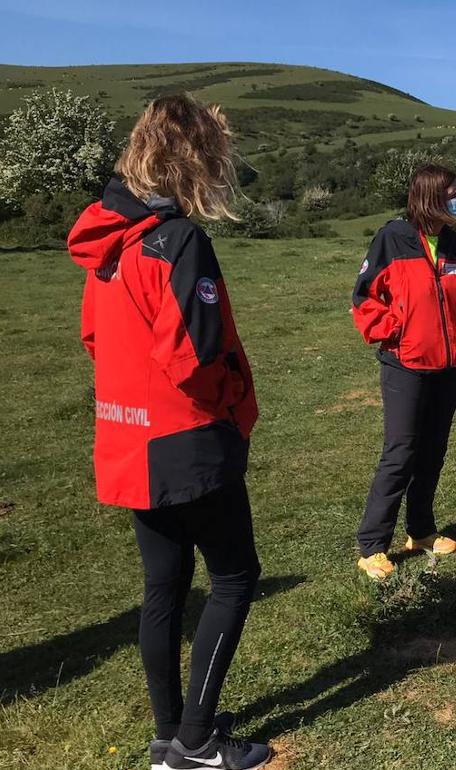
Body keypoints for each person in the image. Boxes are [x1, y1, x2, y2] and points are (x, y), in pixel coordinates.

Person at [68, 94, 271, 770]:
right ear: (193, 161)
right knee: (236, 577)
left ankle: (168, 738)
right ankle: (196, 741)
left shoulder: (107, 244)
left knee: (163, 586)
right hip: (186, 440)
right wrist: (233, 405)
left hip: (127, 440)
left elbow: (94, 336)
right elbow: (196, 354)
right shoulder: (180, 240)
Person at [351, 164, 456, 580]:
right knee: (401, 451)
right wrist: (397, 331)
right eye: (453, 191)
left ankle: (421, 531)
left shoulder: (453, 242)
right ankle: (372, 544)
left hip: (450, 364)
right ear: (431, 197)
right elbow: (364, 299)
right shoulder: (392, 238)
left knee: (433, 450)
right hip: (406, 363)